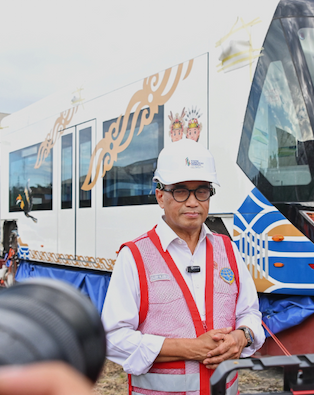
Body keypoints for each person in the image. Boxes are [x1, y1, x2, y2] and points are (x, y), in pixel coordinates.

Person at [102, 138, 265, 395]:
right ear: (160, 196)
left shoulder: (228, 250)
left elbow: (250, 314)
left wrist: (242, 336)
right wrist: (189, 348)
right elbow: (113, 338)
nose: (192, 202)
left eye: (201, 191)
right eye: (180, 191)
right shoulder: (135, 256)